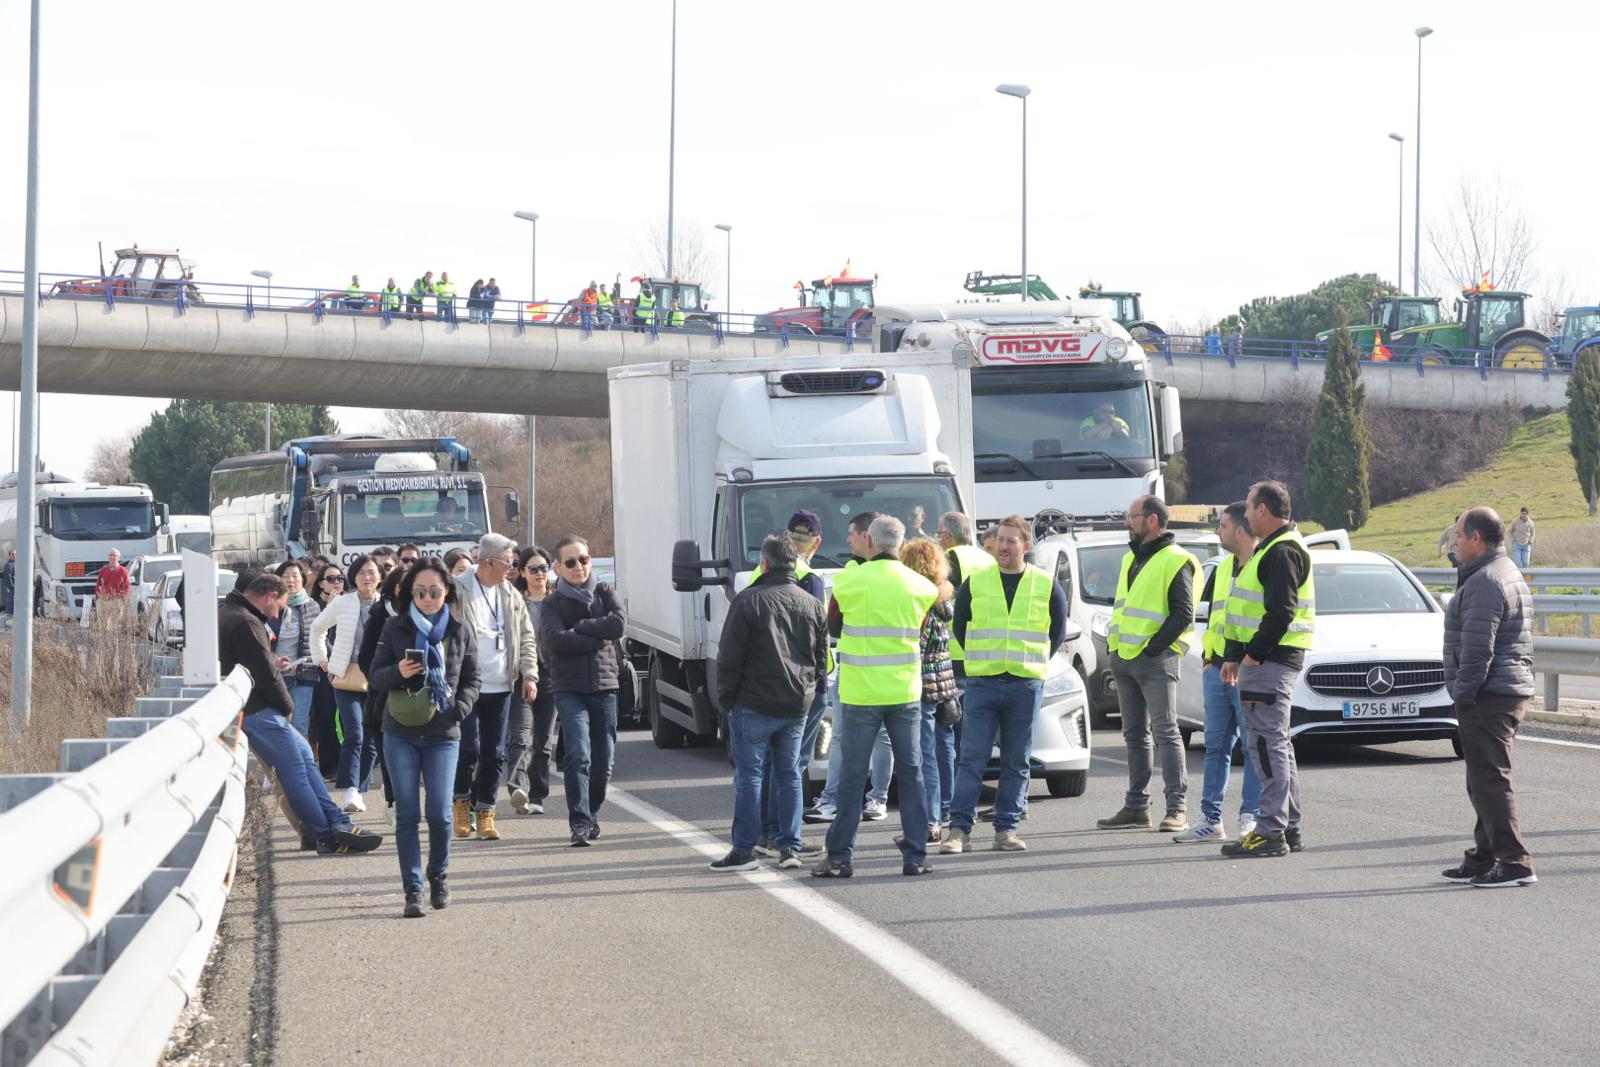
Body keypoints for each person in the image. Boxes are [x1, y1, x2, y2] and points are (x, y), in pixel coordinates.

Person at [220, 570, 382, 856]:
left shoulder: (233, 614)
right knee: (295, 768)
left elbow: (255, 662)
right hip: (258, 710)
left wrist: (271, 661)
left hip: (252, 707)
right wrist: (287, 707)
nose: (276, 613)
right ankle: (326, 835)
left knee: (305, 758)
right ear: (270, 596)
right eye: (279, 606)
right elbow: (266, 674)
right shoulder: (246, 621)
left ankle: (337, 822)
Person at [815, 515, 937, 879]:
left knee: (853, 777)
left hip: (860, 691)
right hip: (904, 691)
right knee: (912, 772)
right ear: (901, 544)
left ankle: (839, 857)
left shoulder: (849, 580)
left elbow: (833, 625)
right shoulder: (921, 586)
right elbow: (923, 629)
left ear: (870, 541)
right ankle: (915, 854)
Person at [942, 514, 1069, 855]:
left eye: (1011, 540)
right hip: (983, 682)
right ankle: (958, 831)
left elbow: (1056, 630)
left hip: (1024, 684)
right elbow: (960, 625)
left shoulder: (1045, 584)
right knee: (972, 759)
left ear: (1026, 546)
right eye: (1000, 539)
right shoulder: (976, 581)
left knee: (1017, 761)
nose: (1003, 545)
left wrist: (1036, 661)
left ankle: (1006, 830)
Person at [710, 535, 829, 872]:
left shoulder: (748, 601)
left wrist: (726, 697)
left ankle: (745, 850)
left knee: (751, 776)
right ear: (794, 564)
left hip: (753, 703)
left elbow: (729, 656)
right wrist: (809, 691)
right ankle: (789, 846)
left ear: (763, 564)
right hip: (796, 704)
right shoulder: (811, 603)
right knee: (790, 774)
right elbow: (822, 658)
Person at [369, 557, 481, 917]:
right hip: (399, 730)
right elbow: (375, 676)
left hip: (443, 731)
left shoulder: (460, 630)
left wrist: (459, 709)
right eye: (420, 592)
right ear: (410, 594)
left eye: (434, 591)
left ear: (447, 591)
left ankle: (439, 873)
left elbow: (472, 679)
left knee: (440, 814)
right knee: (407, 813)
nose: (428, 598)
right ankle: (413, 889)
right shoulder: (394, 628)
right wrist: (398, 672)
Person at [1218, 480, 1314, 859]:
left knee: (1265, 743)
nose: (1247, 514)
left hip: (1271, 662)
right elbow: (1251, 611)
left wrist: (1252, 656)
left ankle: (1271, 830)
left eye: (1251, 506)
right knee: (1277, 744)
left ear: (1262, 510)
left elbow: (1280, 613)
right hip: (1269, 659)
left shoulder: (1281, 552)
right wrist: (1235, 654)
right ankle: (1286, 826)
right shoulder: (1274, 549)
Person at [1442, 507, 1537, 887]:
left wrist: (1463, 696)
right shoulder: (1506, 571)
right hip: (1505, 689)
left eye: (1459, 536)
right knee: (1482, 779)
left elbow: (1478, 651)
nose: (1455, 542)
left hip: (1489, 694)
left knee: (1490, 780)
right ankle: (1484, 857)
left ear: (1476, 539)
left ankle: (1515, 862)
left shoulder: (1485, 581)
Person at [1095, 496, 1197, 834]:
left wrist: (1153, 648)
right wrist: (1115, 647)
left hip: (1154, 660)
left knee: (1166, 732)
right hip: (1124, 657)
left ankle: (1176, 809)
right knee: (1135, 735)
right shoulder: (1130, 558)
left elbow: (1183, 613)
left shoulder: (1176, 559)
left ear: (1152, 520)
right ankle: (1137, 806)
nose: (1128, 522)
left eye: (1132, 516)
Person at [1173, 502, 1263, 843]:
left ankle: (1250, 817)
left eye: (1222, 525)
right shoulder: (1223, 568)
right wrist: (1210, 658)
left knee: (1253, 746)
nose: (1218, 531)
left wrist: (1247, 661)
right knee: (1215, 747)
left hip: (1248, 670)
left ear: (1240, 530)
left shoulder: (1263, 566)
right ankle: (1211, 819)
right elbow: (1214, 618)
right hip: (1218, 670)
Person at [804, 510, 894, 825]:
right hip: (890, 674)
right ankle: (875, 800)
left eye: (852, 533)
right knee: (877, 739)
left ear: (866, 535)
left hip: (857, 671)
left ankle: (837, 801)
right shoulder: (903, 576)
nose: (847, 539)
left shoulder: (848, 579)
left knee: (845, 738)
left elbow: (834, 624)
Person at [450, 534, 538, 841]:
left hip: (501, 684)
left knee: (495, 752)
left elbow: (526, 636)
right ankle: (462, 805)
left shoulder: (510, 594)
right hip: (468, 685)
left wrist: (529, 673)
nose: (513, 568)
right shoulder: (459, 590)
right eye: (510, 562)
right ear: (490, 562)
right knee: (468, 749)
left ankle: (486, 811)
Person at [540, 536, 626, 847]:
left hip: (605, 686)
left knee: (604, 762)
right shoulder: (552, 603)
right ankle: (579, 821)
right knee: (578, 754)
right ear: (558, 568)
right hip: (569, 689)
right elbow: (556, 641)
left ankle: (591, 812)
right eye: (571, 562)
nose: (579, 567)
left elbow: (617, 625)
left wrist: (582, 628)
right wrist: (596, 636)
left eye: (584, 559)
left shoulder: (604, 592)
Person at [754, 511, 829, 856]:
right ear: (816, 543)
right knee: (792, 764)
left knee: (769, 763)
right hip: (802, 684)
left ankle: (766, 832)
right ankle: (785, 835)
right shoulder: (809, 579)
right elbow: (816, 641)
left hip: (765, 682)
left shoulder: (760, 573)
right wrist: (821, 688)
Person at [310, 555, 384, 813]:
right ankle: (351, 789)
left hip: (378, 679)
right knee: (355, 732)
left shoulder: (388, 604)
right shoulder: (342, 603)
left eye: (372, 572)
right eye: (361, 572)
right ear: (353, 577)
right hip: (346, 676)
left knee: (372, 736)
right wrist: (323, 661)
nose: (367, 577)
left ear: (380, 576)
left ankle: (359, 789)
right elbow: (317, 628)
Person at [899, 538, 958, 843]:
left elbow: (916, 650)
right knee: (939, 751)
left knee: (922, 756)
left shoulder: (920, 603)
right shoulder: (942, 599)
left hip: (921, 687)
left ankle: (929, 821)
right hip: (942, 686)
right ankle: (940, 813)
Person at [505, 546, 558, 815]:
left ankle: (537, 794)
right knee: (520, 736)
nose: (540, 574)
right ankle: (517, 788)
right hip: (520, 675)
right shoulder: (514, 601)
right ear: (523, 572)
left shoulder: (557, 601)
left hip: (550, 674)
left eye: (544, 568)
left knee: (543, 741)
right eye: (534, 569)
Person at [936, 511, 997, 696]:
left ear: (947, 536)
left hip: (956, 653)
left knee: (954, 715)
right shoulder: (988, 559)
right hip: (987, 651)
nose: (937, 539)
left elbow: (937, 599)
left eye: (938, 534)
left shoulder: (950, 557)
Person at [272, 560, 322, 738]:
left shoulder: (312, 606)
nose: (290, 580)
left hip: (303, 675)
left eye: (295, 576)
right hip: (275, 676)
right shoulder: (271, 605)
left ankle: (299, 765)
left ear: (303, 579)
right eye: (285, 576)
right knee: (277, 724)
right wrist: (273, 662)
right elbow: (261, 640)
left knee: (300, 724)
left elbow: (319, 640)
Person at [308, 562, 346, 777]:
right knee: (326, 716)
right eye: (331, 579)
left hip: (346, 667)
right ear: (321, 583)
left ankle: (349, 764)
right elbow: (317, 635)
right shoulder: (314, 607)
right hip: (323, 667)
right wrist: (330, 608)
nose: (336, 582)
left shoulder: (350, 603)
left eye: (340, 578)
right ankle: (330, 766)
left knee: (347, 718)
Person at [2, 547, 15, 621]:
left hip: (15, 589)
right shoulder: (9, 565)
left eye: (15, 554)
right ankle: (6, 621)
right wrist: (12, 587)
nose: (14, 556)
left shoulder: (15, 563)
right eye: (13, 554)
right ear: (9, 555)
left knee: (12, 606)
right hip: (12, 590)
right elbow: (8, 578)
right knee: (10, 606)